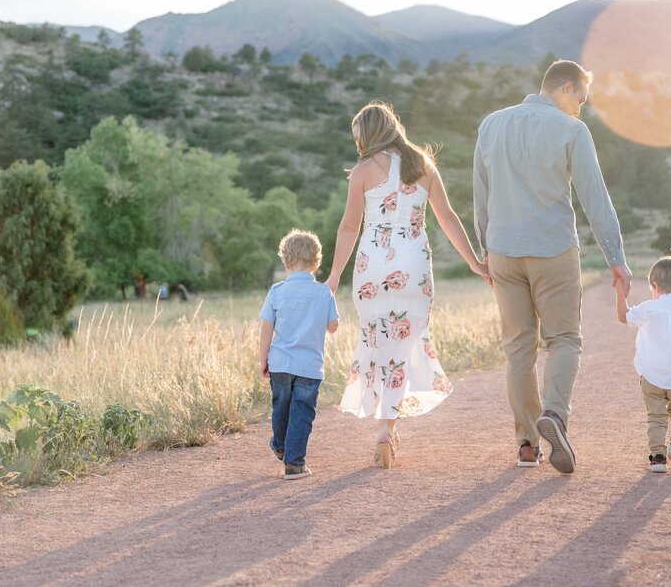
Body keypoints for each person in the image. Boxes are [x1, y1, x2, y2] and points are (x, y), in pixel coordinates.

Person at [473, 59, 632, 473]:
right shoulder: (572, 130)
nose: (580, 107)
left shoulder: (491, 125)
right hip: (553, 250)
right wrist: (617, 259)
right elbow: (595, 200)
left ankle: (527, 444)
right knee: (564, 340)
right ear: (565, 87)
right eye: (580, 97)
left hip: (503, 250)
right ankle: (555, 416)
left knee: (518, 349)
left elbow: (480, 194)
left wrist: (485, 251)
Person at [327, 101, 489, 468]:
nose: (357, 144)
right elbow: (447, 217)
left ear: (368, 134)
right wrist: (473, 263)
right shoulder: (422, 164)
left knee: (376, 342)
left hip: (372, 269)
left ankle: (384, 428)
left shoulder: (363, 171)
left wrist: (335, 274)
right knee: (403, 345)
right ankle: (388, 428)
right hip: (414, 267)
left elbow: (349, 226)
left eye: (358, 137)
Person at [259, 229, 340, 480]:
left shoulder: (276, 291)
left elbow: (266, 327)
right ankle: (294, 463)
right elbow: (333, 327)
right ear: (317, 263)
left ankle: (281, 445)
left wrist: (263, 359)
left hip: (280, 362)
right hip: (309, 366)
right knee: (302, 411)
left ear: (285, 262)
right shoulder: (324, 292)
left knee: (280, 407)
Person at [615, 255, 671, 473]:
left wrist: (620, 295)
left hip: (651, 376)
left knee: (656, 416)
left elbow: (623, 317)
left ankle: (657, 458)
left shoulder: (649, 308)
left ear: (655, 286)